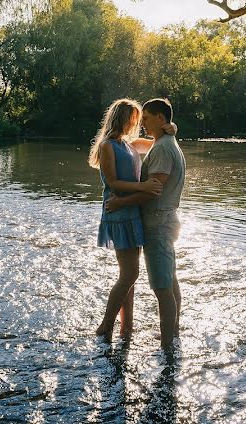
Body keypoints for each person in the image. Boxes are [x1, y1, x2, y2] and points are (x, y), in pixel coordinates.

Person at [88, 98, 174, 340]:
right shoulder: (107, 146)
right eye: (134, 118)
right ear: (121, 118)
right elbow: (113, 182)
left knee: (129, 276)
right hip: (117, 212)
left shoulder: (129, 143)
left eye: (141, 118)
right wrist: (144, 186)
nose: (138, 123)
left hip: (132, 213)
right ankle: (105, 326)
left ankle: (127, 327)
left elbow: (158, 142)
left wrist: (172, 128)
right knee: (129, 274)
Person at [106, 98, 185, 351]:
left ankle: (167, 348)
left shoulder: (162, 148)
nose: (142, 123)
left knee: (162, 287)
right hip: (163, 220)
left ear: (160, 119)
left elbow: (153, 191)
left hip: (159, 222)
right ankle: (172, 333)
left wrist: (121, 202)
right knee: (169, 281)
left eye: (147, 118)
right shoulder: (164, 142)